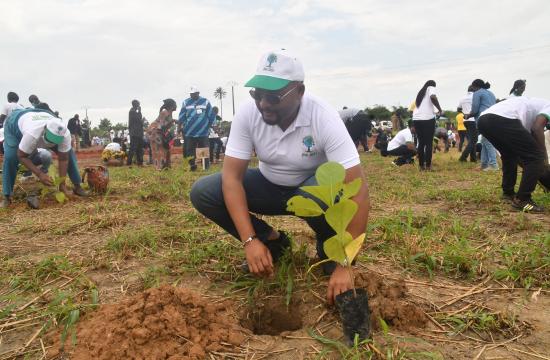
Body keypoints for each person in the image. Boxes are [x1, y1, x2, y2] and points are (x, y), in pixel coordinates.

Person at [190, 49, 370, 305]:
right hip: (269, 187)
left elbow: (358, 191)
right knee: (205, 191)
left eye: (273, 97)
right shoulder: (248, 114)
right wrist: (250, 240)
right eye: (257, 95)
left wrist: (345, 262)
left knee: (317, 192)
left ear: (299, 91)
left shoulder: (323, 117)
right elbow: (231, 178)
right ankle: (272, 242)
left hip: (311, 191)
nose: (263, 104)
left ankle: (330, 248)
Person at [1, 107, 87, 208]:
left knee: (69, 153)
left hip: (41, 113)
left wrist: (62, 184)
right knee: (11, 157)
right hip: (15, 122)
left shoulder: (65, 134)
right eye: (50, 139)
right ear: (45, 129)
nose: (51, 143)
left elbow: (63, 159)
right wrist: (40, 173)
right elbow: (21, 156)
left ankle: (77, 186)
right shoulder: (32, 133)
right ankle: (6, 196)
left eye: (56, 140)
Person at [477, 97, 550, 212]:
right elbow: (537, 129)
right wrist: (543, 160)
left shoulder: (533, 110)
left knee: (510, 155)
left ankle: (508, 193)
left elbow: (524, 158)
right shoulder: (548, 105)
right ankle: (523, 200)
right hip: (502, 118)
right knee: (537, 157)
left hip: (483, 120)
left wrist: (538, 172)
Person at [178, 86, 215, 171]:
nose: (192, 96)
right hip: (189, 131)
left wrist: (209, 127)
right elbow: (181, 116)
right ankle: (192, 166)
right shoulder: (186, 102)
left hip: (203, 132)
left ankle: (205, 167)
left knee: (203, 149)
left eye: (194, 94)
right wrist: (179, 128)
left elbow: (211, 115)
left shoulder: (205, 102)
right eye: (191, 94)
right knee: (190, 150)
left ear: (198, 93)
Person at [467, 79, 498, 171]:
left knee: (488, 142)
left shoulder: (477, 93)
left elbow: (475, 110)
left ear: (475, 86)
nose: (471, 88)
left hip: (484, 119)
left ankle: (493, 165)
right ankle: (484, 164)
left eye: (472, 86)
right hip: (494, 118)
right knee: (485, 141)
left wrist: (468, 115)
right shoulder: (491, 93)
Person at [412, 80, 443, 171]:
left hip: (417, 119)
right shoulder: (431, 87)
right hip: (427, 119)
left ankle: (421, 166)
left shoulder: (421, 93)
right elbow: (433, 97)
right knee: (429, 143)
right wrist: (440, 109)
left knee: (421, 143)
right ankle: (428, 166)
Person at [148, 99, 177, 170]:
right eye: (175, 104)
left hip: (160, 133)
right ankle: (159, 168)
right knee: (159, 152)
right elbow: (161, 125)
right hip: (156, 133)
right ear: (171, 106)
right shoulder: (165, 112)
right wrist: (173, 122)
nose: (176, 106)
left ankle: (167, 167)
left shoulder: (169, 113)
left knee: (166, 150)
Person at [458, 86, 477, 162]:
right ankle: (463, 157)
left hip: (465, 121)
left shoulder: (463, 98)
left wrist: (465, 114)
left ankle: (473, 158)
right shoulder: (475, 97)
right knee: (474, 140)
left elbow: (458, 109)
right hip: (473, 120)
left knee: (471, 140)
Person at [127, 100, 144, 166]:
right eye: (138, 105)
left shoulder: (134, 112)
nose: (139, 106)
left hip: (138, 133)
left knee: (139, 148)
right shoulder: (132, 112)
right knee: (133, 148)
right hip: (135, 133)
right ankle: (129, 162)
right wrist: (140, 111)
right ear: (135, 105)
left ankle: (140, 162)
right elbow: (139, 119)